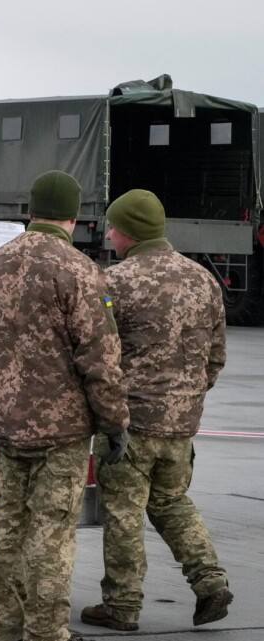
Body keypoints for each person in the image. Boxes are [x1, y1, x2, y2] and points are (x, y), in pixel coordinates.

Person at [0, 170, 130, 641]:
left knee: (6, 535)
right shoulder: (81, 272)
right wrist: (114, 423)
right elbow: (100, 359)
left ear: (29, 211)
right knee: (51, 537)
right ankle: (47, 633)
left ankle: (6, 629)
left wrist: (1, 404)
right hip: (64, 435)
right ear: (74, 217)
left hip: (8, 429)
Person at [80, 189, 232, 632]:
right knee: (172, 502)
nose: (108, 233)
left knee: (124, 512)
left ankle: (122, 605)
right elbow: (215, 356)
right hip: (181, 425)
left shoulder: (117, 282)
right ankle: (209, 580)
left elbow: (100, 356)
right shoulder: (202, 279)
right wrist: (187, 399)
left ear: (128, 231)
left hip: (131, 423)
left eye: (112, 225)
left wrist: (107, 414)